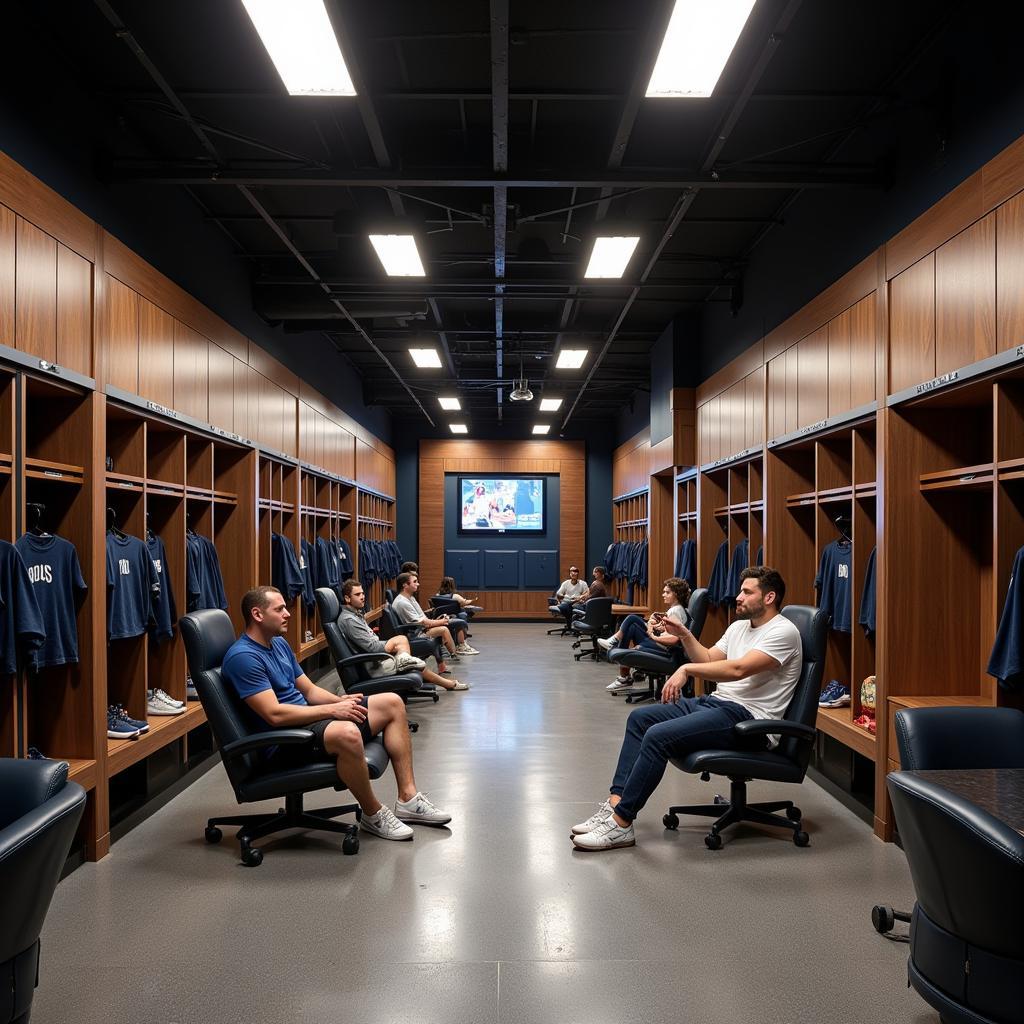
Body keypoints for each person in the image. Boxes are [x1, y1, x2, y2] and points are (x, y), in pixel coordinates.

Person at [571, 567, 802, 851]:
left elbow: (739, 669)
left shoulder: (784, 631)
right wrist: (683, 635)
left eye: (747, 592)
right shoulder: (739, 627)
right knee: (640, 719)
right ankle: (615, 802)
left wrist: (685, 669)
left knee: (658, 736)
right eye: (740, 590)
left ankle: (621, 824)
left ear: (769, 597)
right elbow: (706, 657)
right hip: (717, 705)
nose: (738, 596)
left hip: (749, 721)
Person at [222, 586, 451, 841]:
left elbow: (309, 690)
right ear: (257, 614)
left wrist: (340, 701)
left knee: (392, 703)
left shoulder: (278, 645)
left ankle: (408, 799)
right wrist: (333, 710)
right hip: (284, 738)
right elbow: (274, 715)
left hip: (308, 720)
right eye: (280, 609)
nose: (288, 614)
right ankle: (372, 814)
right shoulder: (244, 657)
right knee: (348, 733)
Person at [340, 579, 468, 691]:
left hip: (376, 659)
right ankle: (448, 684)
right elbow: (372, 648)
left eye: (362, 593)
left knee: (408, 657)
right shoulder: (349, 620)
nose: (362, 597)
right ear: (347, 598)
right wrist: (391, 644)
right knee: (404, 647)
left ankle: (447, 683)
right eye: (357, 594)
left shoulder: (355, 615)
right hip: (373, 665)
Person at [598, 577, 690, 693]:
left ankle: (623, 674)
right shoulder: (676, 609)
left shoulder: (675, 611)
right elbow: (670, 630)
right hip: (662, 645)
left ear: (676, 594)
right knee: (632, 623)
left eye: (667, 592)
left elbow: (675, 639)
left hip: (666, 650)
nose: (663, 595)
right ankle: (616, 647)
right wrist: (655, 625)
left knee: (632, 619)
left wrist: (652, 634)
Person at [392, 571, 479, 657]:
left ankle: (451, 652)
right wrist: (441, 622)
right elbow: (422, 623)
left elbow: (422, 617)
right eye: (415, 582)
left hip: (419, 628)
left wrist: (437, 620)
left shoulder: (410, 598)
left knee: (450, 622)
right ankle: (455, 653)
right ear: (405, 585)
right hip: (415, 632)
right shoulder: (402, 602)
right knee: (444, 629)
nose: (418, 584)